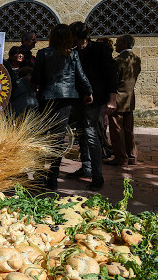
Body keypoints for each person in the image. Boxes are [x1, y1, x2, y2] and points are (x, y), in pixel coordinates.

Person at [32, 24, 93, 190]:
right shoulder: (72, 54)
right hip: (66, 98)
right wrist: (88, 92)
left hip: (47, 97)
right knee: (58, 138)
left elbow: (36, 78)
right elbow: (81, 76)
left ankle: (38, 176)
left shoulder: (43, 53)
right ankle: (52, 178)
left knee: (42, 135)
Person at [66, 22, 118, 191]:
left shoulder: (99, 49)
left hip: (94, 98)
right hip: (77, 98)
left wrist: (112, 99)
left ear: (76, 36)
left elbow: (111, 74)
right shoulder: (73, 52)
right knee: (81, 132)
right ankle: (86, 167)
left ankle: (97, 175)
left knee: (90, 133)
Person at [106, 35, 141, 166]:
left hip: (118, 100)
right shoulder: (136, 59)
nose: (115, 46)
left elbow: (113, 82)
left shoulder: (118, 61)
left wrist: (111, 99)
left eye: (117, 44)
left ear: (124, 44)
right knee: (128, 129)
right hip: (129, 99)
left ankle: (120, 157)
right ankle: (132, 155)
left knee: (116, 130)